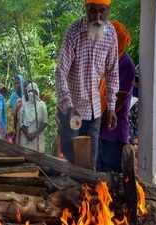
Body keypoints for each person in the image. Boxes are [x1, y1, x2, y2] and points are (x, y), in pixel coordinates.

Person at [55, 0, 119, 169]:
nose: (97, 17)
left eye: (102, 11)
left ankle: (90, 195)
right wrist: (68, 106)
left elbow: (113, 71)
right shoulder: (74, 31)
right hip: (72, 113)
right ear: (85, 9)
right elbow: (61, 71)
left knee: (91, 165)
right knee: (71, 165)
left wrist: (111, 107)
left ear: (108, 11)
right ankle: (69, 195)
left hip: (95, 112)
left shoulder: (111, 33)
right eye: (92, 11)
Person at [97, 20, 136, 172]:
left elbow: (117, 102)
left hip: (113, 135)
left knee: (109, 180)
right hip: (101, 132)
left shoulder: (126, 64)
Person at [19, 82, 48, 153]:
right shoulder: (24, 106)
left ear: (37, 92)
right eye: (30, 91)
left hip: (37, 141)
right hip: (25, 141)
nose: (31, 93)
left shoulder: (42, 105)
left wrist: (34, 134)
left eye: (33, 91)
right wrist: (27, 134)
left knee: (37, 161)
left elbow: (45, 122)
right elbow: (21, 123)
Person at [7, 74, 24, 144]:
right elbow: (10, 112)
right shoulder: (13, 97)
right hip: (15, 126)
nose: (16, 85)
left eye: (18, 83)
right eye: (15, 83)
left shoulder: (26, 96)